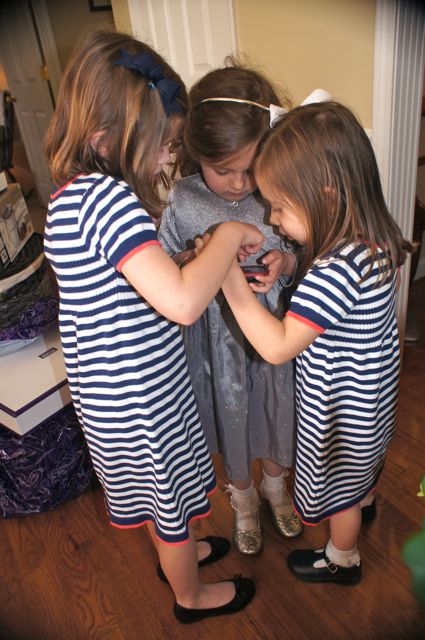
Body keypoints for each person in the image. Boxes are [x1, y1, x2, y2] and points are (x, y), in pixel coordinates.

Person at [43, 28, 262, 624]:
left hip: (115, 393)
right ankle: (191, 595)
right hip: (139, 398)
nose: (169, 159)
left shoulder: (72, 198)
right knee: (168, 501)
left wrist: (188, 259)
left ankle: (179, 556)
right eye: (164, 146)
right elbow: (183, 304)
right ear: (106, 138)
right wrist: (225, 236)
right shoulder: (108, 201)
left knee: (157, 494)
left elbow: (135, 283)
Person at [219, 100, 412, 584]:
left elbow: (279, 345)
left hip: (342, 415)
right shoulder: (371, 239)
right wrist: (289, 264)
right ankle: (364, 499)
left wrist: (230, 282)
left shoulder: (334, 269)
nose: (273, 219)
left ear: (325, 197)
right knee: (361, 472)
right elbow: (338, 302)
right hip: (371, 402)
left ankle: (342, 558)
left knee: (338, 492)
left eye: (280, 207)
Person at [158, 61, 303, 556]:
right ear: (198, 153)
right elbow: (165, 264)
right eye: (224, 171)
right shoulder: (183, 199)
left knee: (279, 410)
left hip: (276, 333)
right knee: (233, 414)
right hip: (214, 345)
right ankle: (243, 499)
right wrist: (194, 257)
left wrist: (287, 263)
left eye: (250, 168)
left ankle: (276, 489)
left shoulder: (279, 193)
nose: (240, 184)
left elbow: (305, 250)